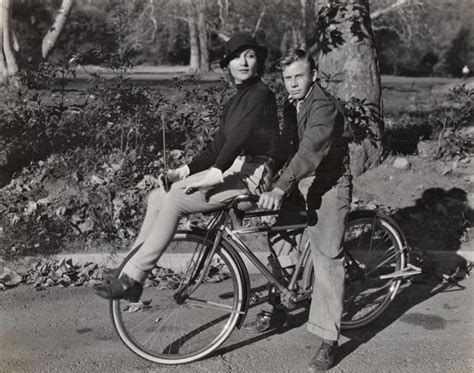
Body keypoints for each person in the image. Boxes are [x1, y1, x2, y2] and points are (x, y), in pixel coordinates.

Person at [92, 32, 279, 302]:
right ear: (227, 64)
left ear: (258, 61)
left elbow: (241, 137)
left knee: (176, 200)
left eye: (250, 55)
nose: (244, 62)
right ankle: (127, 270)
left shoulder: (261, 95)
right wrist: (181, 172)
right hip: (234, 168)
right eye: (237, 57)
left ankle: (135, 277)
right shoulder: (235, 101)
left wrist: (216, 172)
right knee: (158, 196)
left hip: (254, 175)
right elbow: (218, 148)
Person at [250, 49, 352, 372]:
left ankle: (328, 341)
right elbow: (287, 146)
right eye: (288, 78)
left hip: (329, 183)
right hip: (302, 181)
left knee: (326, 258)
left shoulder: (322, 106)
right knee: (276, 232)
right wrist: (265, 169)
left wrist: (280, 188)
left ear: (313, 76)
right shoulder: (291, 104)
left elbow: (309, 152)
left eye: (299, 76)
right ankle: (287, 296)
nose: (293, 83)